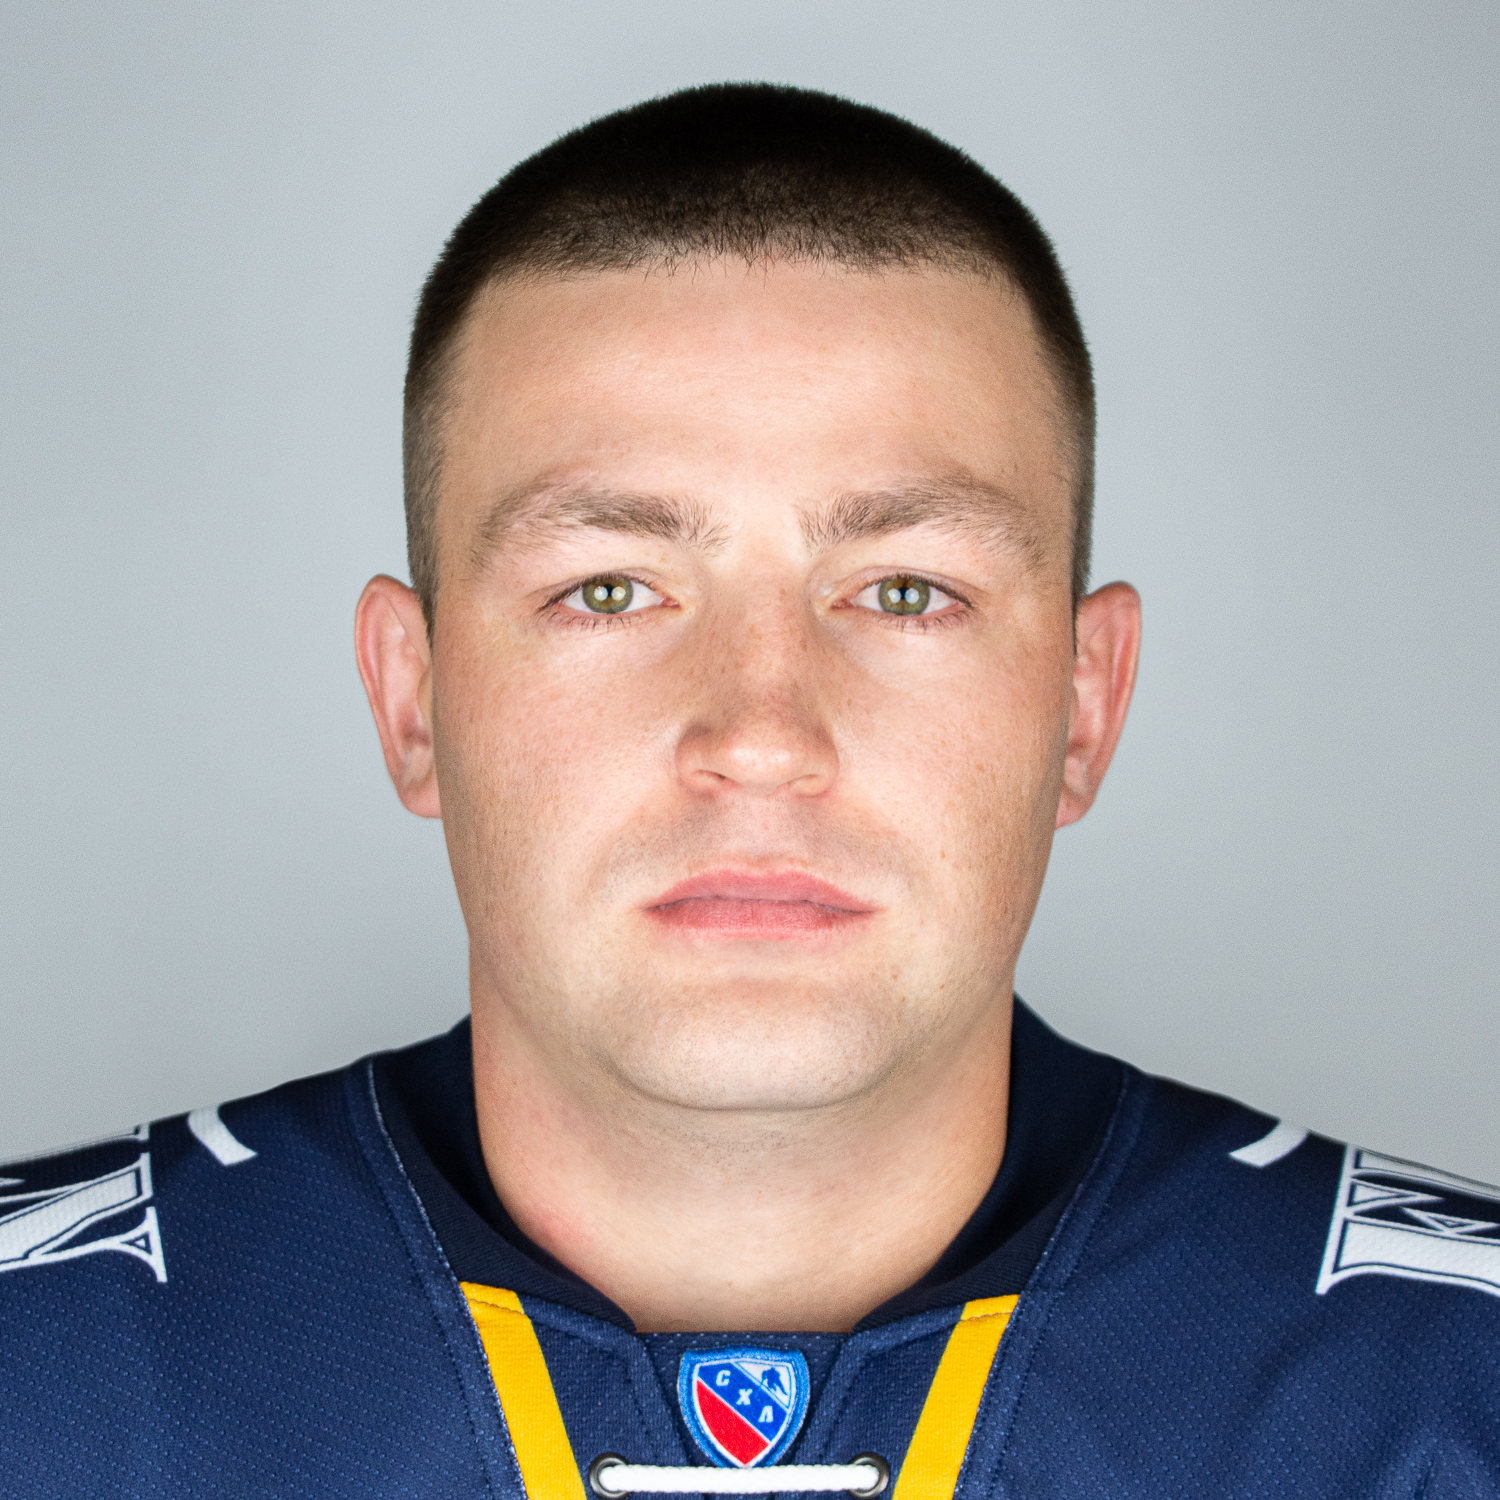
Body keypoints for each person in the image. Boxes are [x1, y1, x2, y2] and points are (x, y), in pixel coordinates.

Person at [1, 83, 1495, 1498]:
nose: (765, 735)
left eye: (905, 591)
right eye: (608, 589)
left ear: (1084, 708)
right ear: (413, 702)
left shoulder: (1447, 1385)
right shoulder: (42, 1366)